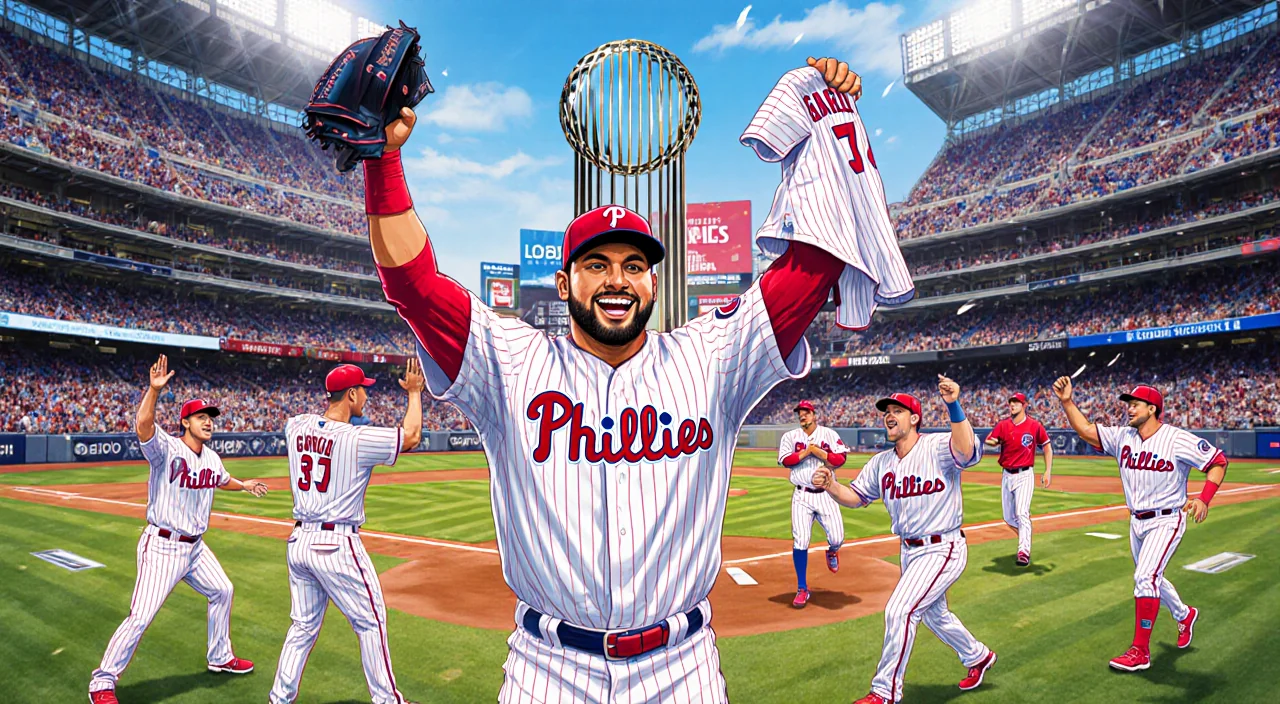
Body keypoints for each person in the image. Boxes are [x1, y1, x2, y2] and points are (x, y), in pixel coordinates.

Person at [366, 58, 902, 702]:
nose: (617, 279)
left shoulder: (712, 355)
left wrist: (826, 117)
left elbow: (811, 267)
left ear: (653, 282)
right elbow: (414, 286)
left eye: (633, 265)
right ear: (565, 284)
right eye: (596, 264)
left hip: (683, 668)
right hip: (547, 668)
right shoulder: (505, 358)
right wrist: (381, 162)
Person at [89, 354, 269, 704]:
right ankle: (102, 681)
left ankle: (220, 657)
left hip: (196, 549)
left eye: (211, 418)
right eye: (202, 417)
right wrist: (153, 391)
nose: (209, 422)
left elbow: (222, 479)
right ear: (185, 422)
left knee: (223, 591)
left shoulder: (212, 458)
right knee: (140, 617)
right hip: (163, 546)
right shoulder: (166, 448)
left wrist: (244, 485)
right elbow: (143, 427)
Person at [813, 377, 996, 703]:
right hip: (909, 552)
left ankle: (885, 692)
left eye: (898, 410)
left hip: (944, 546)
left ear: (914, 419)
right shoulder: (881, 462)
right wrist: (831, 486)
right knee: (934, 615)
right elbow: (856, 496)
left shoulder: (937, 447)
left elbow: (967, 451)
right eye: (887, 411)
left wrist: (953, 404)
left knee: (900, 611)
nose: (889, 415)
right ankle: (978, 656)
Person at [269, 361, 425, 704]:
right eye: (363, 389)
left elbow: (311, 425)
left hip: (299, 543)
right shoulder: (357, 439)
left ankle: (279, 699)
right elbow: (411, 436)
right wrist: (414, 392)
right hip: (336, 543)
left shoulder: (297, 426)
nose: (367, 395)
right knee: (371, 622)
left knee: (303, 627)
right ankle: (388, 700)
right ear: (352, 394)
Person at [1053, 378, 1227, 672]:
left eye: (1135, 404)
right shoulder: (1123, 436)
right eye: (1128, 404)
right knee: (1151, 576)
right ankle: (1184, 615)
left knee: (1145, 577)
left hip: (1167, 518)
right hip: (1137, 521)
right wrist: (1067, 402)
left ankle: (1140, 651)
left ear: (1152, 408)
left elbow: (1217, 461)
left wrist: (1205, 498)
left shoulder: (1176, 438)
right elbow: (1084, 431)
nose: (1129, 409)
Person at [777, 400, 850, 608]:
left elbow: (839, 460)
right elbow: (786, 461)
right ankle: (802, 588)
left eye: (806, 412)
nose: (802, 416)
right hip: (802, 496)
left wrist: (817, 452)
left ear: (814, 415)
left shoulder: (829, 435)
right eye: (799, 413)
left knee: (838, 537)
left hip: (827, 493)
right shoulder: (790, 437)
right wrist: (806, 452)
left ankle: (832, 551)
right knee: (800, 541)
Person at [983, 392, 1052, 566]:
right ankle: (1025, 536)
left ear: (1024, 405)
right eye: (1011, 402)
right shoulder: (1003, 425)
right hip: (1006, 474)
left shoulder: (1034, 425)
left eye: (1016, 402)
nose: (1012, 405)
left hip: (1025, 474)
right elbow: (992, 440)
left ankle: (1023, 551)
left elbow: (1047, 447)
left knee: (1022, 513)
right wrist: (990, 442)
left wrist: (1047, 471)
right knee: (1008, 517)